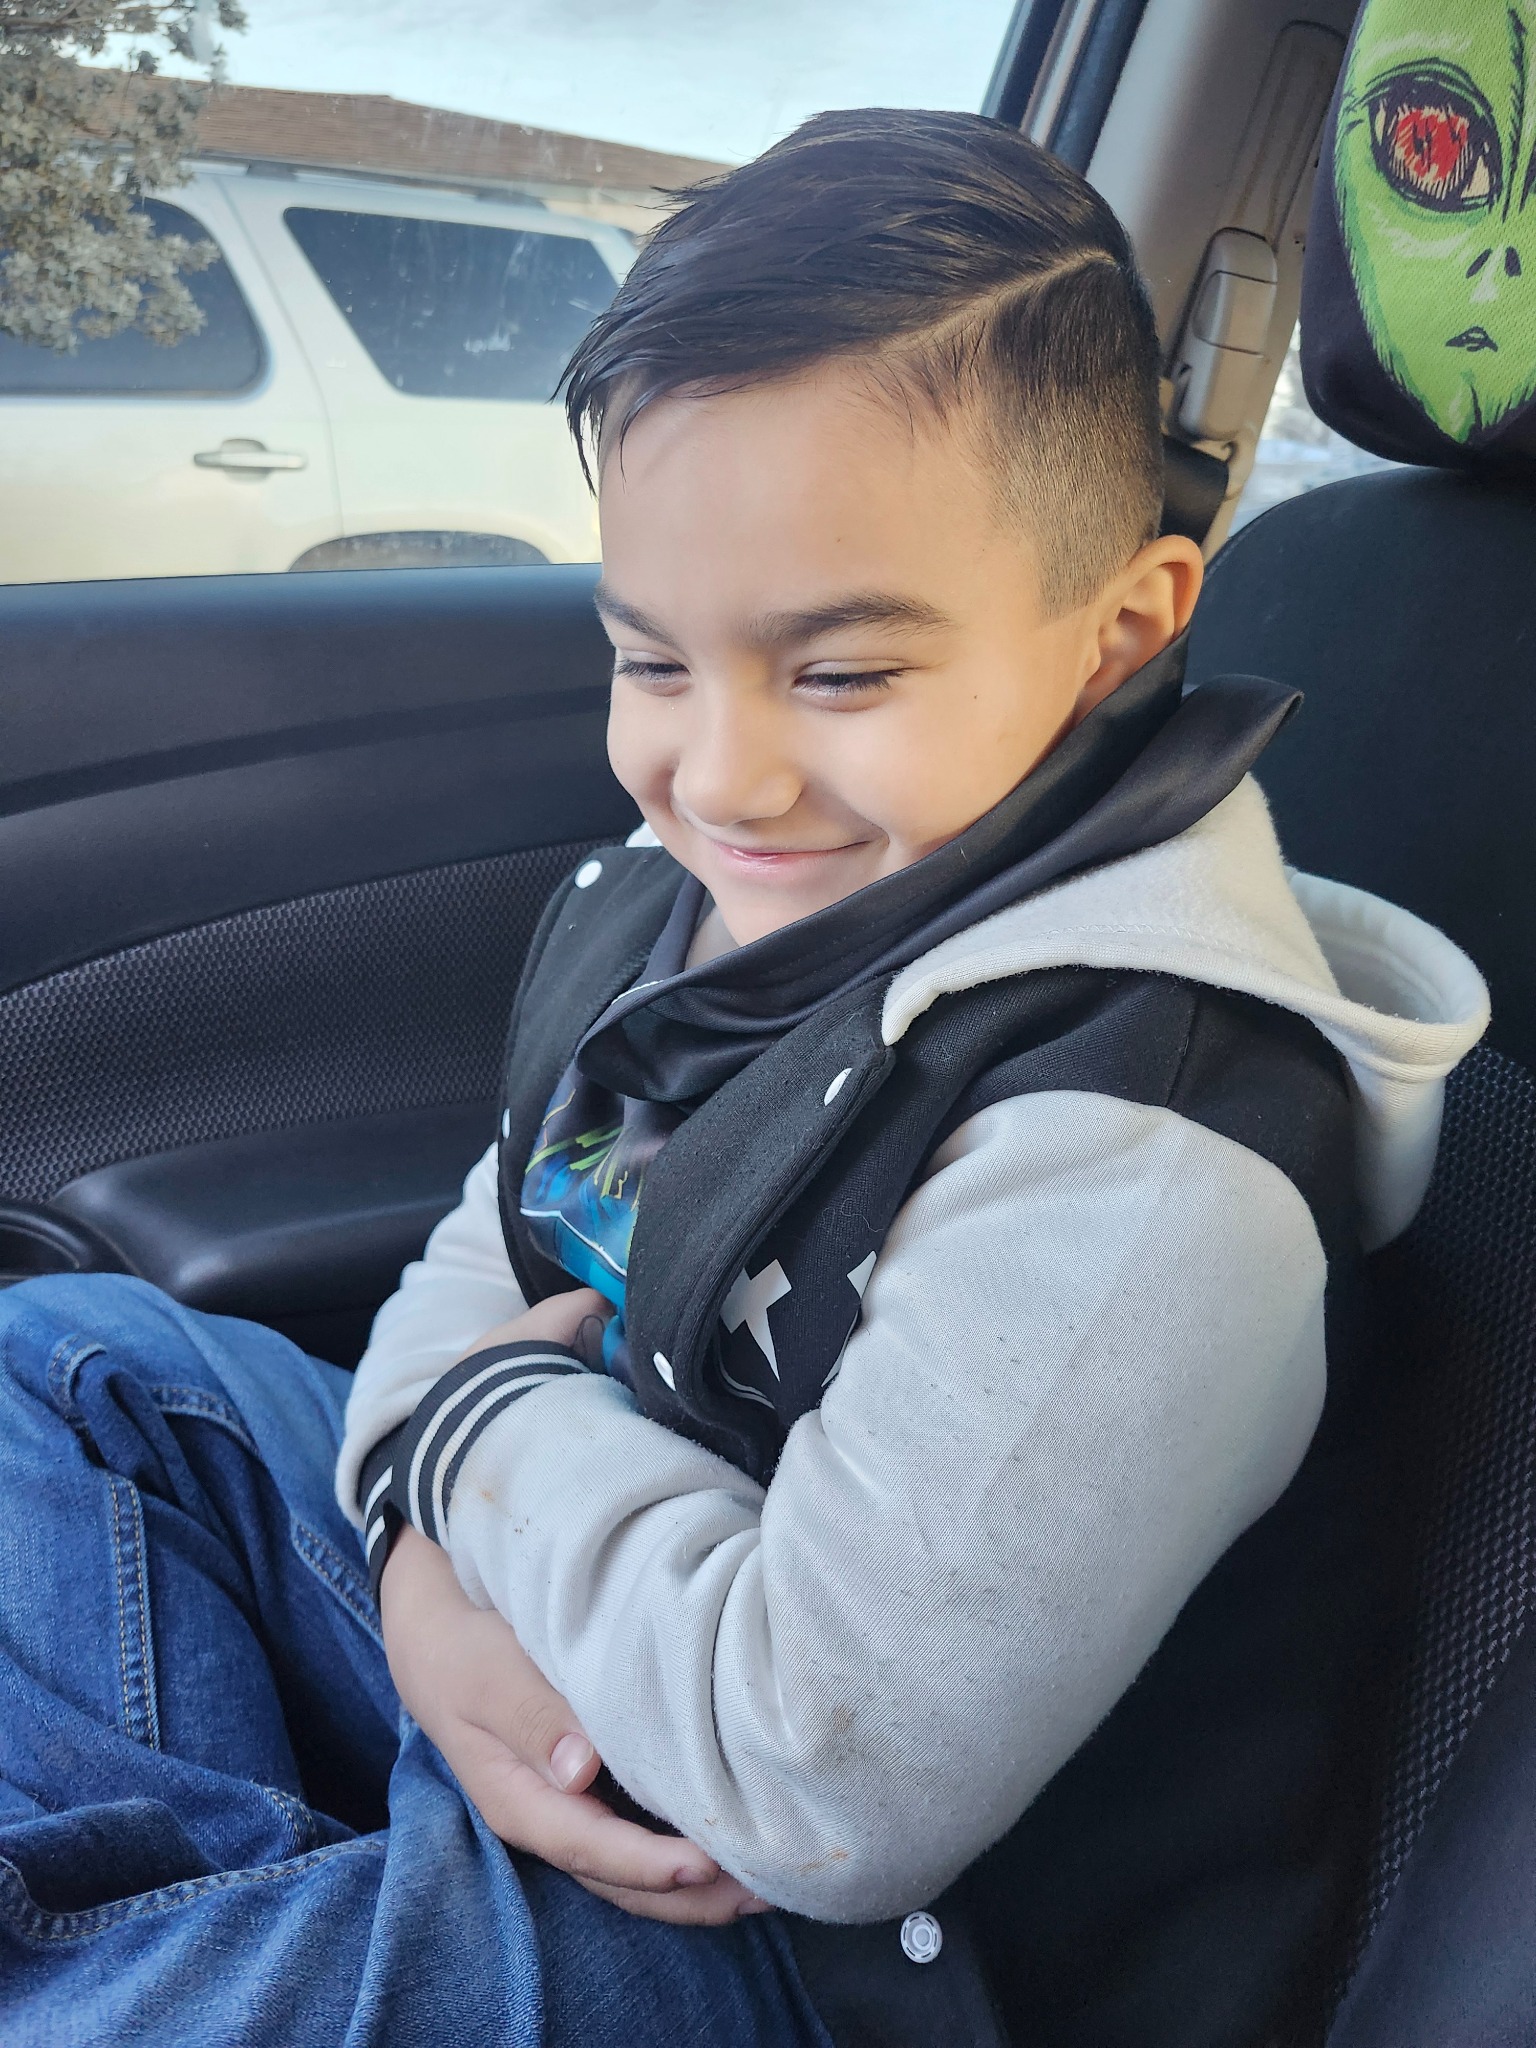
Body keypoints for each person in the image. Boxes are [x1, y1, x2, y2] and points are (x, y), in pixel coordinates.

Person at [0, 109, 1488, 2048]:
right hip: (570, 1641)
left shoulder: (1143, 1162)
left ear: (1121, 630)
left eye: (842, 673)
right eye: (652, 661)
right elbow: (490, 1252)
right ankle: (250, 1905)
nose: (719, 777)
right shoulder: (702, 902)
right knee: (63, 1363)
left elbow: (817, 1777)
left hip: (804, 1947)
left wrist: (474, 1436)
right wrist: (426, 1583)